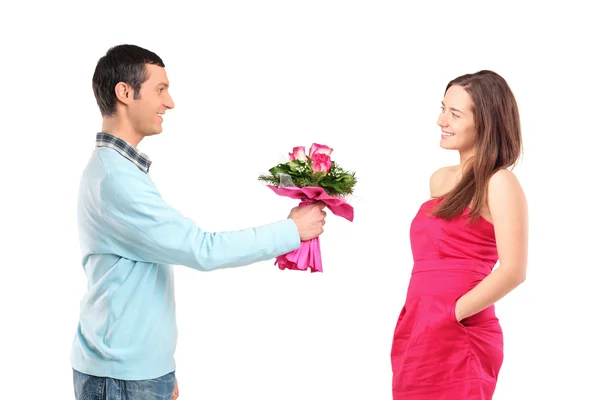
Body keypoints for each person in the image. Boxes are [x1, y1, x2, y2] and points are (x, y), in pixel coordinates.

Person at [70, 44, 327, 400]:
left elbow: (139, 274)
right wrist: (291, 231)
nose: (169, 102)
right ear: (125, 93)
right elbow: (201, 250)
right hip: (123, 379)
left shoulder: (118, 170)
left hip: (134, 373)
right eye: (160, 89)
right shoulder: (116, 179)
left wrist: (159, 367)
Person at [390, 70, 528, 399]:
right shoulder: (439, 180)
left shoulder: (499, 182)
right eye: (442, 109)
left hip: (459, 327)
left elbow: (513, 271)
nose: (442, 120)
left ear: (487, 122)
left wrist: (452, 313)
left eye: (455, 113)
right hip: (418, 323)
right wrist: (425, 315)